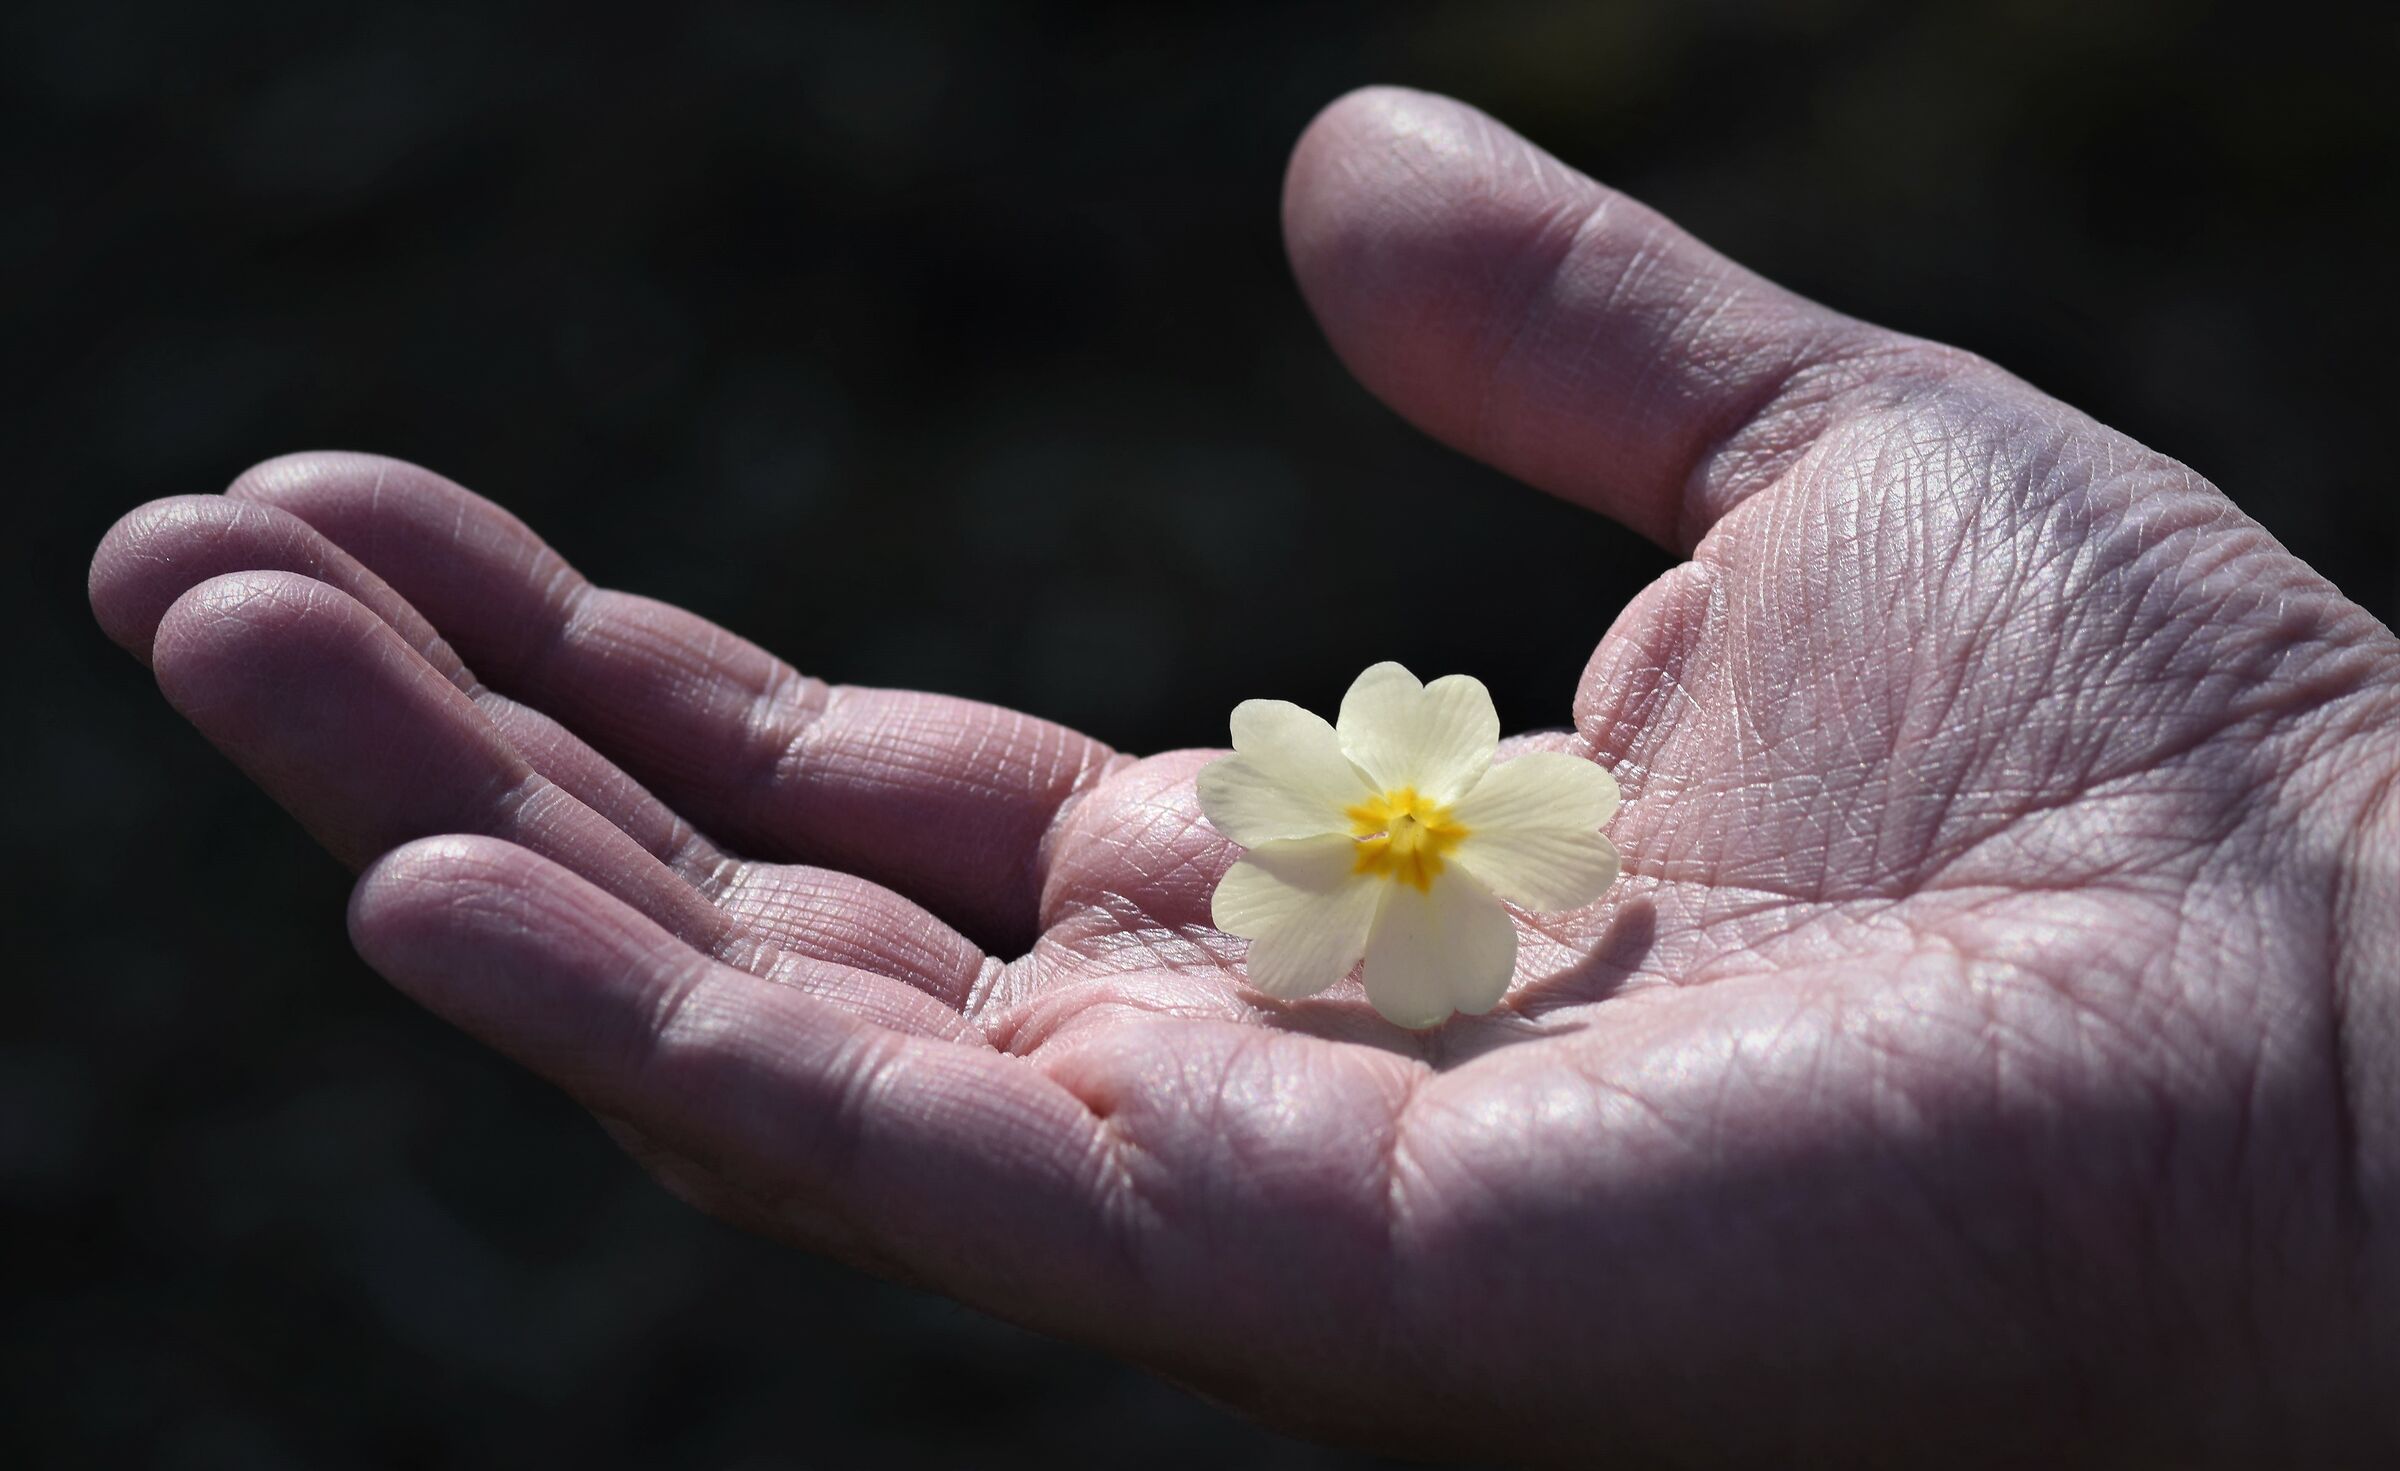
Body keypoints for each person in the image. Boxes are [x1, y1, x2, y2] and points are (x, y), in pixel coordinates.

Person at [86, 86, 2398, 1465]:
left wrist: (2309, 1078)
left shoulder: (1481, 841)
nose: (1400, 832)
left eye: (1412, 832)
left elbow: (1480, 836)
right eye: (1393, 830)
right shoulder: (1378, 861)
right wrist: (2292, 1101)